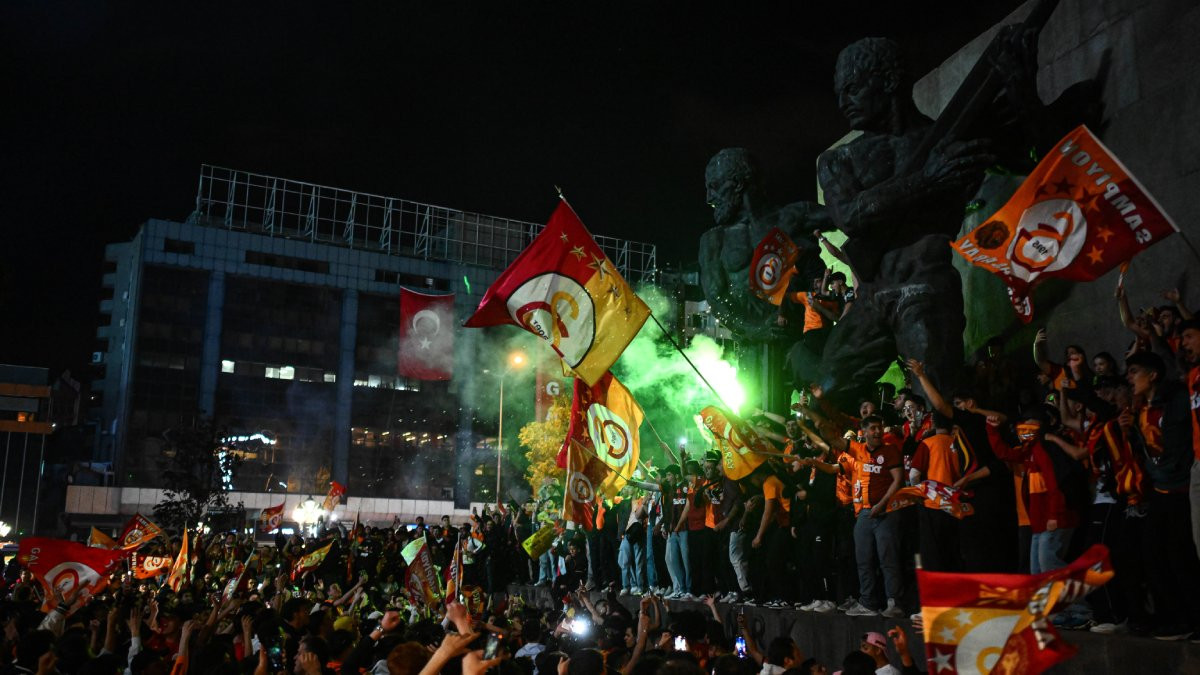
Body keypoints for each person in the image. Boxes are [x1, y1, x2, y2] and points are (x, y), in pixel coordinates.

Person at [803, 414, 904, 617]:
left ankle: (895, 603)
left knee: (888, 558)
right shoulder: (857, 451)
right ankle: (868, 603)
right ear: (864, 432)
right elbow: (833, 453)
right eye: (873, 428)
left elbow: (898, 480)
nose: (877, 432)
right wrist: (816, 423)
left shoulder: (890, 450)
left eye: (879, 427)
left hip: (887, 512)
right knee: (863, 559)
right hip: (864, 514)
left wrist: (881, 504)